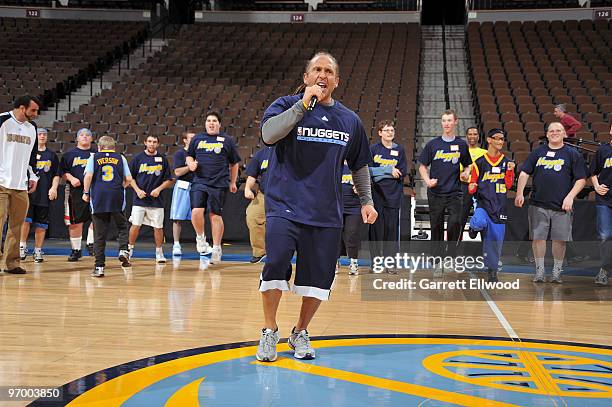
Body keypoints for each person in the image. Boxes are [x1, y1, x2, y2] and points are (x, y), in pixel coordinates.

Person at [256, 51, 377, 363]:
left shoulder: (350, 120)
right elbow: (269, 135)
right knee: (276, 263)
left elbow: (360, 165)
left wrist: (366, 201)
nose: (322, 75)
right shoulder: (285, 105)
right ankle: (269, 330)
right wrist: (301, 105)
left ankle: (300, 331)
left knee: (317, 279)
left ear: (336, 81)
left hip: (326, 212)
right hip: (284, 206)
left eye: (328, 71)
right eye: (317, 70)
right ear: (307, 77)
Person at [515, 122, 586, 283]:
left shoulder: (572, 154)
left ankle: (556, 272)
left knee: (559, 240)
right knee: (538, 239)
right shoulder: (538, 152)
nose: (555, 133)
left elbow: (581, 179)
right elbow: (525, 172)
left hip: (562, 206)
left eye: (558, 130)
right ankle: (539, 271)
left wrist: (570, 197)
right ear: (547, 134)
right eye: (551, 131)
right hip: (538, 204)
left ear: (564, 134)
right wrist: (520, 193)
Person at [418, 110, 472, 276]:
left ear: (456, 122)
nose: (446, 123)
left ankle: (450, 258)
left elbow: (468, 165)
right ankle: (436, 263)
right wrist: (427, 181)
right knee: (436, 227)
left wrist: (466, 173)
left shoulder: (462, 145)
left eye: (449, 120)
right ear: (441, 123)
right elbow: (422, 166)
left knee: (455, 224)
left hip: (455, 192)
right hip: (436, 193)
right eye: (444, 120)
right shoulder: (433, 144)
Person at [186, 111, 241, 263]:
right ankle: (201, 238)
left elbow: (234, 163)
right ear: (205, 123)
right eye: (209, 120)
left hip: (219, 182)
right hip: (200, 181)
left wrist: (233, 182)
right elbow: (189, 155)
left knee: (215, 215)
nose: (211, 123)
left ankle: (216, 249)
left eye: (214, 121)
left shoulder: (227, 140)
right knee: (196, 211)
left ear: (219, 124)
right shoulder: (197, 138)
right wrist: (190, 163)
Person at [467, 129, 515, 282]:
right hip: (483, 204)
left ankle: (492, 270)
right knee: (479, 221)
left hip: (499, 206)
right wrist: (472, 186)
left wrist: (509, 172)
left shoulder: (507, 163)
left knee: (494, 242)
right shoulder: (479, 162)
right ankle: (473, 227)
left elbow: (508, 185)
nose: (500, 142)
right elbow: (472, 183)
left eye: (502, 139)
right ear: (489, 140)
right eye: (497, 138)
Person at [0, 95, 40, 274]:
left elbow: (33, 156)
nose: (36, 114)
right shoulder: (2, 121)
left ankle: (12, 263)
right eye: (33, 110)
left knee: (17, 225)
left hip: (20, 184)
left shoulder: (33, 128)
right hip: (1, 182)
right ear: (22, 108)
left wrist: (33, 177)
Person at [82, 136, 132, 277]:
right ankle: (123, 250)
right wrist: (121, 187)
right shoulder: (121, 158)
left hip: (99, 197)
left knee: (99, 234)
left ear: (99, 147)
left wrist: (86, 192)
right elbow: (128, 179)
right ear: (114, 147)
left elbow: (88, 176)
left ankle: (99, 267)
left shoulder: (94, 157)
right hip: (116, 195)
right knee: (122, 226)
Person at [368, 120, 407, 274]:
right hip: (376, 195)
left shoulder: (400, 150)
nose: (389, 133)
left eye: (392, 130)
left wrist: (381, 172)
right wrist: (388, 170)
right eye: (386, 130)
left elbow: (401, 172)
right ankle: (376, 263)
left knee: (391, 232)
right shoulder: (373, 149)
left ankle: (390, 263)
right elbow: (369, 171)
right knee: (376, 231)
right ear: (379, 133)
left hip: (393, 196)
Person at [128, 135, 173, 263]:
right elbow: (130, 178)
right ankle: (129, 250)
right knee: (135, 225)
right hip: (139, 199)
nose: (152, 144)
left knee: (158, 227)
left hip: (157, 201)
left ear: (158, 144)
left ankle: (159, 253)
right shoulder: (138, 158)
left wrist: (158, 189)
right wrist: (137, 190)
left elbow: (169, 179)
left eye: (154, 142)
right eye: (149, 141)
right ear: (145, 143)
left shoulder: (163, 159)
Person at [20, 128, 60, 263]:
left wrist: (54, 188)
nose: (42, 136)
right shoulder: (28, 152)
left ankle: (37, 251)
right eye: (39, 134)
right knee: (25, 221)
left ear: (47, 137)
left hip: (44, 194)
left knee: (41, 224)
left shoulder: (52, 155)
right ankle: (22, 247)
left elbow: (56, 175)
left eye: (44, 134)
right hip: (28, 192)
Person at [170, 131, 212, 256]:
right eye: (191, 138)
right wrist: (191, 166)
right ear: (185, 140)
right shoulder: (180, 153)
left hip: (198, 186)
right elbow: (177, 172)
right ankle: (176, 244)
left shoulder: (200, 152)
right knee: (178, 217)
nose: (194, 140)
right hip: (183, 185)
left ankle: (202, 244)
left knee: (198, 215)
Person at [60, 128, 95, 261]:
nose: (85, 137)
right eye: (82, 135)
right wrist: (71, 178)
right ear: (77, 138)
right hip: (75, 192)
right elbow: (62, 172)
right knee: (75, 222)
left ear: (91, 139)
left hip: (95, 191)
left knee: (98, 218)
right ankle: (76, 250)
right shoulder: (69, 154)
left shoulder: (96, 153)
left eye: (88, 135)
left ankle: (91, 243)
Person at [590, 124, 611, 285]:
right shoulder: (602, 150)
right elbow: (593, 172)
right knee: (605, 236)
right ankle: (604, 269)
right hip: (605, 200)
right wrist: (596, 186)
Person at [244, 146, 273, 263]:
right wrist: (247, 188)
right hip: (264, 194)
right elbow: (252, 175)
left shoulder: (291, 149)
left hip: (287, 195)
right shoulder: (262, 154)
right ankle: (260, 253)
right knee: (253, 215)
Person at [460, 127, 487, 237]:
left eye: (475, 134)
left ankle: (484, 249)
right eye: (470, 134)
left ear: (478, 136)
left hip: (480, 188)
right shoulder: (461, 152)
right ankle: (454, 249)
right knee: (460, 218)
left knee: (482, 217)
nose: (472, 136)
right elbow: (459, 170)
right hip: (464, 187)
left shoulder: (485, 153)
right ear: (466, 136)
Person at [339, 161, 363, 276]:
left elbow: (368, 183)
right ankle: (334, 261)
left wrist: (360, 188)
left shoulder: (358, 165)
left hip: (354, 207)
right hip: (336, 206)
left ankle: (353, 262)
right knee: (336, 235)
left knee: (352, 234)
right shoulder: (336, 163)